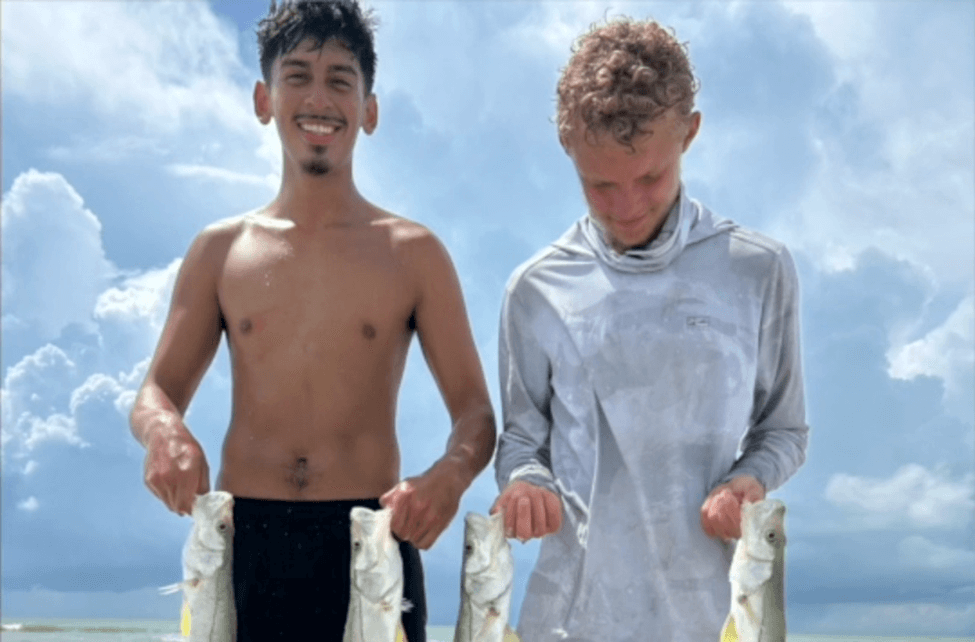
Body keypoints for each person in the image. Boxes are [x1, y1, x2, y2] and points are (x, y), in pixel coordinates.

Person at [129, 1, 496, 640]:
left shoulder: (414, 253)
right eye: (297, 75)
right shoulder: (221, 250)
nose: (318, 97)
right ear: (263, 99)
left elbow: (475, 415)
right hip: (245, 543)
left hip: (370, 544)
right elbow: (156, 391)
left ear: (370, 110)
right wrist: (165, 433)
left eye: (340, 79)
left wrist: (449, 476)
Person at [491, 17, 809, 642]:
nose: (627, 207)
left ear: (689, 132)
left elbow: (785, 430)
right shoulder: (534, 289)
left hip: (717, 619)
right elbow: (522, 441)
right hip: (566, 622)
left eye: (650, 179)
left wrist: (750, 479)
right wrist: (526, 483)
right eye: (599, 185)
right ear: (567, 146)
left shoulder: (758, 268)